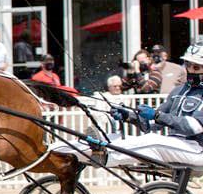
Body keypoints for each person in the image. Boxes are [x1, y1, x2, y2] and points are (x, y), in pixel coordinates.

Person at [73, 42, 203, 170]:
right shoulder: (178, 91)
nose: (190, 70)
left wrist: (157, 115)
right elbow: (151, 125)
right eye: (188, 65)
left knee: (153, 141)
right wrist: (129, 116)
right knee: (115, 137)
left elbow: (194, 127)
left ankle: (105, 155)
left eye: (196, 67)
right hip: (176, 145)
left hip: (197, 149)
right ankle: (68, 154)